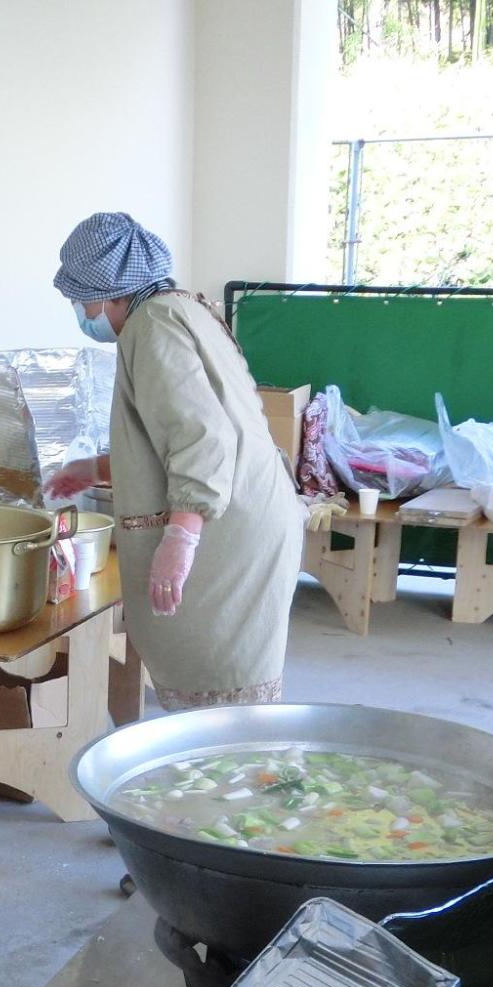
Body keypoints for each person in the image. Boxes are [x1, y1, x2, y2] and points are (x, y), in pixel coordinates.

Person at [46, 212, 304, 710]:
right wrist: (96, 468)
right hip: (251, 510)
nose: (80, 311)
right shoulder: (181, 308)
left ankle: (236, 783)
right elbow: (170, 433)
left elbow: (201, 439)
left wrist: (181, 538)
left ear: (108, 292)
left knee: (221, 703)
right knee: (230, 696)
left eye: (79, 299)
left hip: (226, 530)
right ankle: (237, 778)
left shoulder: (152, 327)